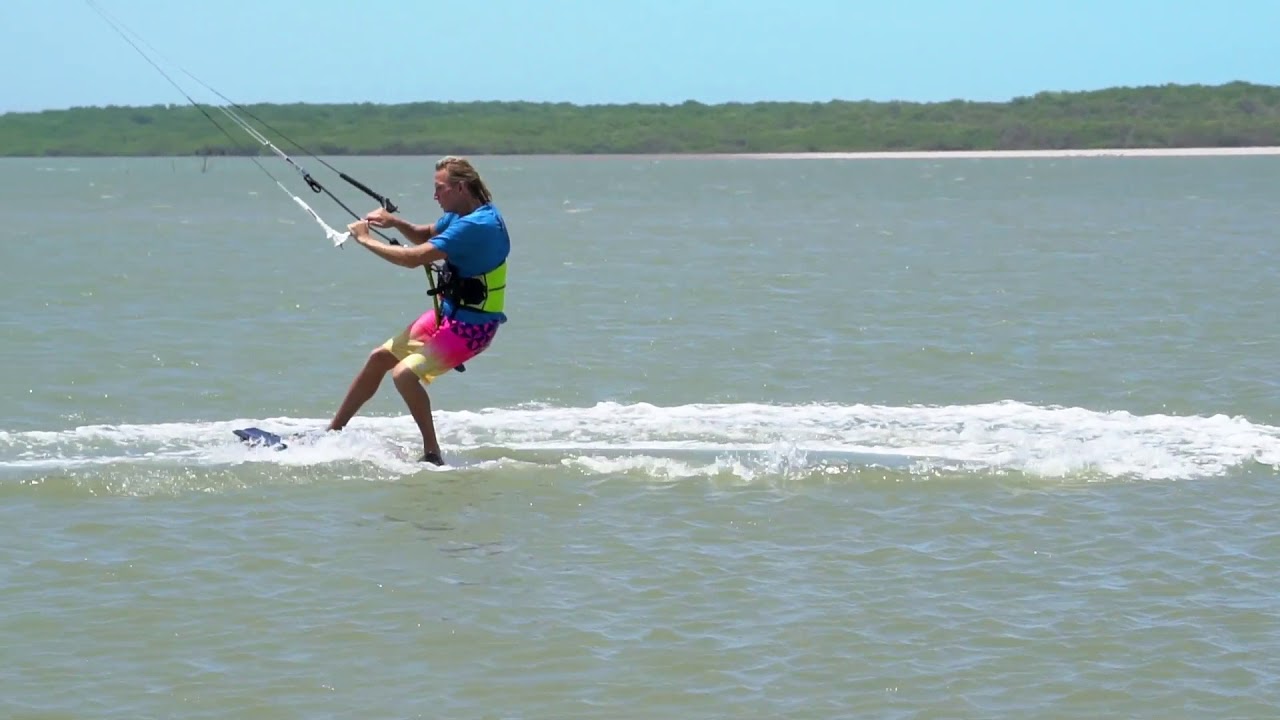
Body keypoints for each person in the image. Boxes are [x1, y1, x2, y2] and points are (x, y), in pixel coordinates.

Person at [328, 156, 510, 465]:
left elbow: (413, 259)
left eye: (440, 189)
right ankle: (332, 433)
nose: (435, 196)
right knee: (378, 359)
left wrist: (364, 239)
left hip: (473, 328)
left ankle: (432, 454)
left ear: (461, 187)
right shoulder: (460, 215)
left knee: (404, 375)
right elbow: (425, 234)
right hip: (448, 316)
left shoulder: (478, 225)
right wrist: (396, 222)